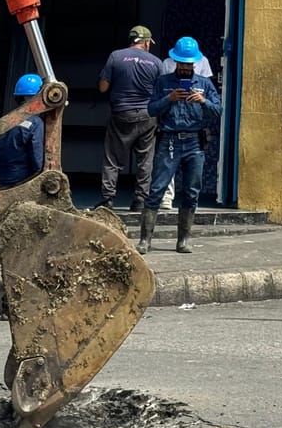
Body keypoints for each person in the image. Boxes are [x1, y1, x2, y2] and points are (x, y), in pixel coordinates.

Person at [139, 37, 221, 255]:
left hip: (195, 141)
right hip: (169, 139)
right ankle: (145, 240)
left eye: (189, 63)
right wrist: (170, 99)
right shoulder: (163, 82)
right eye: (181, 63)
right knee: (157, 189)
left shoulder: (204, 84)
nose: (185, 67)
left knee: (191, 191)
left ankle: (183, 240)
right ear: (175, 61)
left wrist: (203, 102)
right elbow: (151, 110)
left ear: (194, 63)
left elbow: (218, 111)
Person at [95, 25, 163, 211]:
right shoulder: (157, 63)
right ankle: (140, 200)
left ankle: (107, 199)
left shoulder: (116, 56)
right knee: (145, 159)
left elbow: (103, 87)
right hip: (147, 116)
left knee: (113, 159)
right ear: (147, 42)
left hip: (121, 114)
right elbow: (161, 93)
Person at [159, 51, 214, 210]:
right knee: (168, 166)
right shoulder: (167, 63)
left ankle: (186, 205)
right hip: (172, 120)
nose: (185, 65)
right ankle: (167, 198)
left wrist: (201, 98)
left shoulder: (203, 60)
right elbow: (161, 86)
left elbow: (208, 87)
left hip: (194, 122)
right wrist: (169, 98)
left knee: (192, 175)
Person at [0, 74, 46, 190]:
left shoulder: (5, 120)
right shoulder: (36, 124)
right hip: (21, 182)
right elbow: (37, 162)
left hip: (0, 182)